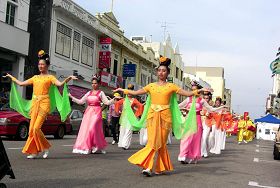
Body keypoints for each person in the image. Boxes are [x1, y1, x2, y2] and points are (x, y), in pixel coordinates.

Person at [114, 56, 210, 176]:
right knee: (153, 142)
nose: (161, 73)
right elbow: (136, 92)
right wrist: (123, 90)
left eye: (164, 71)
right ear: (157, 72)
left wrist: (200, 91)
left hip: (166, 117)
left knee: (161, 143)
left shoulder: (172, 86)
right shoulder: (151, 86)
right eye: (159, 70)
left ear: (168, 73)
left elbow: (188, 93)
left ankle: (161, 167)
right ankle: (148, 167)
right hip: (152, 116)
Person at [3, 50, 76, 159]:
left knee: (36, 128)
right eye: (39, 64)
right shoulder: (35, 78)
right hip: (34, 104)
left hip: (44, 103)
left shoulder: (50, 77)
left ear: (47, 65)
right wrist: (11, 77)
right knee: (32, 129)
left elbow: (59, 84)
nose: (40, 66)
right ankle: (34, 152)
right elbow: (21, 84)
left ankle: (45, 147)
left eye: (42, 64)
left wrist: (68, 78)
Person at [178, 82, 225, 164]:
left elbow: (211, 109)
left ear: (199, 91)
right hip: (188, 120)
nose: (194, 91)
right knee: (185, 138)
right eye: (192, 90)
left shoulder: (202, 101)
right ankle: (183, 155)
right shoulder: (188, 99)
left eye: (195, 90)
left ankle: (191, 157)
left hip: (197, 120)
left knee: (195, 140)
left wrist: (222, 107)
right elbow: (179, 106)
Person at [70, 75, 115, 154]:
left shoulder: (101, 93)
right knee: (87, 129)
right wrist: (71, 97)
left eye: (95, 83)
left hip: (97, 112)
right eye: (92, 83)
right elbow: (81, 102)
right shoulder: (88, 93)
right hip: (88, 112)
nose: (93, 85)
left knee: (92, 127)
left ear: (98, 84)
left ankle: (95, 145)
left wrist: (114, 100)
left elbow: (106, 102)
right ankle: (89, 146)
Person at [115, 84, 143, 150]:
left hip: (131, 118)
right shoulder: (124, 100)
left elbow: (141, 106)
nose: (129, 93)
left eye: (130, 92)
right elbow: (117, 104)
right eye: (128, 92)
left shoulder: (134, 100)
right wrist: (118, 111)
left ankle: (125, 144)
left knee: (129, 130)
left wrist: (136, 114)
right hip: (124, 117)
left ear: (132, 92)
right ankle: (121, 143)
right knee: (123, 130)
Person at [200, 92, 214, 158]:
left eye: (207, 98)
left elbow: (213, 117)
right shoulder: (199, 105)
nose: (206, 99)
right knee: (201, 138)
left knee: (205, 138)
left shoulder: (210, 107)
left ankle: (204, 152)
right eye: (204, 98)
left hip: (207, 123)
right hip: (200, 122)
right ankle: (201, 152)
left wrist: (211, 126)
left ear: (209, 99)